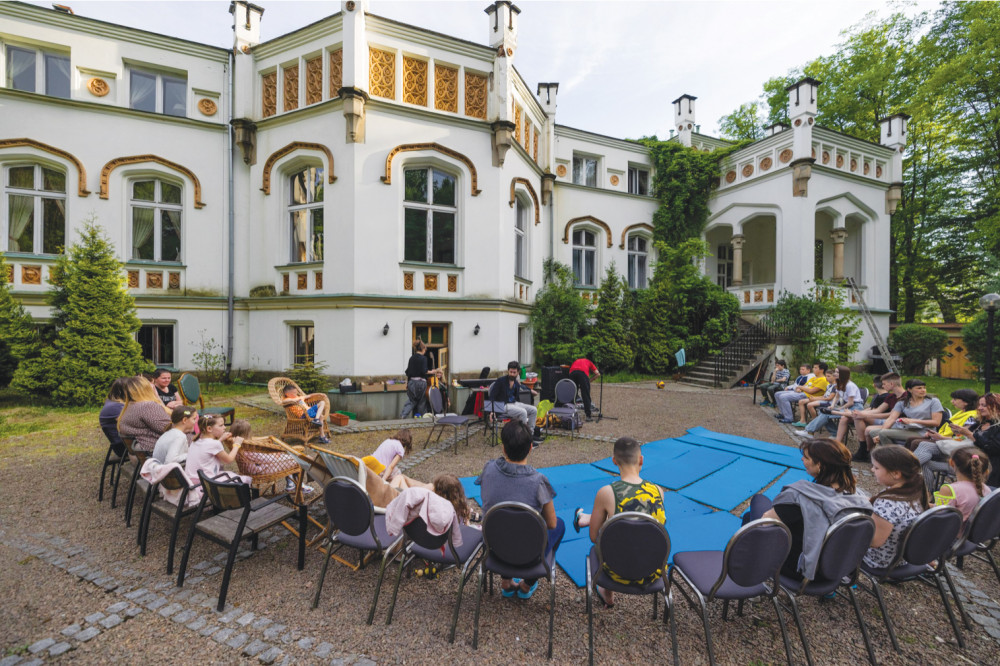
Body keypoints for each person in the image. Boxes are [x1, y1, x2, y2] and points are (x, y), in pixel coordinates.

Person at [741, 438, 871, 582]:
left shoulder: (801, 497)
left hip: (802, 569)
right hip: (838, 568)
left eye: (806, 457)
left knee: (755, 507)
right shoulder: (859, 497)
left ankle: (749, 578)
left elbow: (765, 523)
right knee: (755, 514)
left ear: (820, 465)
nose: (802, 459)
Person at [572, 436, 665, 607]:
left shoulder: (606, 492)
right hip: (652, 571)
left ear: (614, 461)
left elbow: (594, 538)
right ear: (641, 460)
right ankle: (595, 518)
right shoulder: (658, 491)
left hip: (616, 571)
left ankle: (608, 594)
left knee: (612, 530)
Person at [476, 420, 565, 599]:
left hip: (495, 548)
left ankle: (506, 581)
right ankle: (527, 584)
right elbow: (552, 523)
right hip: (529, 554)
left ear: (503, 448)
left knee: (503, 523)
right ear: (531, 447)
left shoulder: (488, 469)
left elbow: (490, 498)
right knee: (560, 525)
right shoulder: (538, 481)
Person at [863, 446, 928, 569]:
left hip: (879, 561)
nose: (872, 470)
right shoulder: (913, 492)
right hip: (901, 557)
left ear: (896, 474)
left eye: (876, 467)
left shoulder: (887, 502)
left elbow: (874, 541)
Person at [845, 373, 906, 462]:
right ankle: (864, 451)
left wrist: (864, 415)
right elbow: (878, 410)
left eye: (884, 384)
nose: (883, 386)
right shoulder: (891, 396)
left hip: (897, 423)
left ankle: (867, 452)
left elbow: (891, 415)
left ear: (891, 384)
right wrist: (859, 413)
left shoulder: (906, 397)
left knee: (868, 429)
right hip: (889, 421)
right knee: (857, 417)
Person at [869, 379, 944, 448]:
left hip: (924, 432)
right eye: (919, 388)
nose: (923, 390)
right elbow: (891, 418)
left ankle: (893, 456)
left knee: (883, 434)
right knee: (874, 432)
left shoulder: (933, 401)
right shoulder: (903, 402)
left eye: (924, 388)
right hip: (907, 429)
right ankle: (895, 452)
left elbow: (936, 422)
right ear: (909, 390)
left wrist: (912, 421)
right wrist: (880, 432)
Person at [795, 366, 862, 438]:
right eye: (835, 372)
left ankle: (809, 431)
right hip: (847, 406)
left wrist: (840, 408)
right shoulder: (839, 383)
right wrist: (832, 406)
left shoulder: (850, 385)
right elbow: (837, 396)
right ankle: (835, 433)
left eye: (837, 372)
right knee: (823, 412)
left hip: (854, 407)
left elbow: (851, 402)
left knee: (826, 413)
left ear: (843, 374)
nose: (835, 374)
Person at [185, 414, 251, 486]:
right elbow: (229, 460)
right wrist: (237, 444)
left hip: (193, 482)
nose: (224, 427)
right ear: (209, 429)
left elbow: (209, 448)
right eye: (221, 425)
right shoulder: (214, 444)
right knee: (244, 481)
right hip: (206, 484)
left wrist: (221, 439)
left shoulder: (196, 441)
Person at [950, 394, 1000, 487]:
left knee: (925, 447)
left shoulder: (997, 427)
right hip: (966, 457)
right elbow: (964, 438)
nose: (980, 408)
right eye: (979, 405)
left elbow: (993, 448)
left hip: (985, 464)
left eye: (984, 405)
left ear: (996, 406)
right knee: (925, 447)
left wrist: (969, 434)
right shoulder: (980, 422)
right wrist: (958, 432)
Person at [488, 361, 543, 443]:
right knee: (523, 412)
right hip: (503, 405)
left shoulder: (516, 383)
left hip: (514, 404)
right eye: (510, 372)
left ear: (518, 373)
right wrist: (492, 411)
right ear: (508, 371)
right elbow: (492, 396)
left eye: (514, 372)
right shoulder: (501, 381)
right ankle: (524, 439)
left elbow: (523, 388)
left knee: (533, 409)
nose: (512, 374)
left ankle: (530, 436)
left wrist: (532, 391)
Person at [933, 447, 992, 522]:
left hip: (953, 532)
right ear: (986, 472)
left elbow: (938, 517)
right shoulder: (987, 490)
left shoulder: (949, 490)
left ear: (951, 462)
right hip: (974, 533)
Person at [117, 375, 173, 453]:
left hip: (144, 452)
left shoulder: (131, 405)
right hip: (157, 452)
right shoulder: (147, 406)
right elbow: (169, 429)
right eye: (151, 385)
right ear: (147, 389)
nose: (154, 386)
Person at [362, 429, 432, 490]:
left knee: (399, 473)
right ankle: (423, 487)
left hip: (371, 465)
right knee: (401, 476)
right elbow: (391, 466)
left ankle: (424, 486)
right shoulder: (400, 448)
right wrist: (383, 480)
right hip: (380, 469)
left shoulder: (388, 440)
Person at [401, 338, 436, 418]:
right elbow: (425, 371)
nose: (425, 352)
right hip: (420, 383)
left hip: (411, 382)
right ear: (423, 348)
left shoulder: (411, 358)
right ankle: (422, 419)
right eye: (425, 350)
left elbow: (408, 373)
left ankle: (403, 415)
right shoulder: (423, 358)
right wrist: (433, 371)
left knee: (411, 401)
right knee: (421, 402)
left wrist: (408, 383)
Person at [99, 377, 130, 457]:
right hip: (124, 447)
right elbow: (133, 425)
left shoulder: (113, 402)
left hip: (125, 443)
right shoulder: (116, 407)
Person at [568, 356, 600, 421]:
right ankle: (588, 416)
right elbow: (597, 374)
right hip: (582, 373)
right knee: (585, 394)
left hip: (572, 373)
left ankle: (570, 413)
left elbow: (570, 372)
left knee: (572, 394)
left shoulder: (576, 360)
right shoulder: (589, 362)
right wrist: (590, 380)